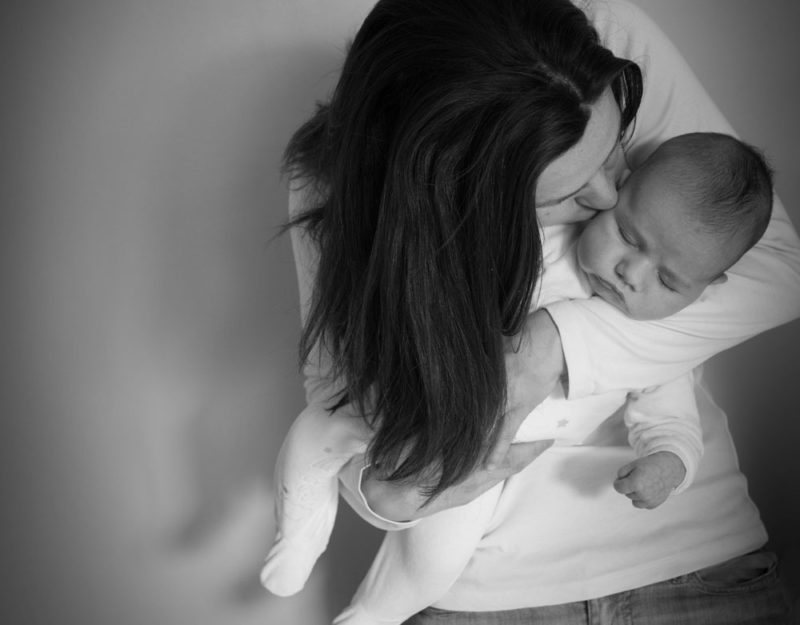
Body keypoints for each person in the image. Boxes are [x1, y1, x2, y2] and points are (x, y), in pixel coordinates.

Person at [272, 0, 800, 622]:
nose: (612, 197)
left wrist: (549, 342)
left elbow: (776, 270)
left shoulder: (587, 38)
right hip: (479, 589)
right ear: (458, 197)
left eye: (616, 151)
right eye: (570, 193)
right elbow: (340, 397)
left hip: (697, 565)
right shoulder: (336, 184)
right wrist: (391, 494)